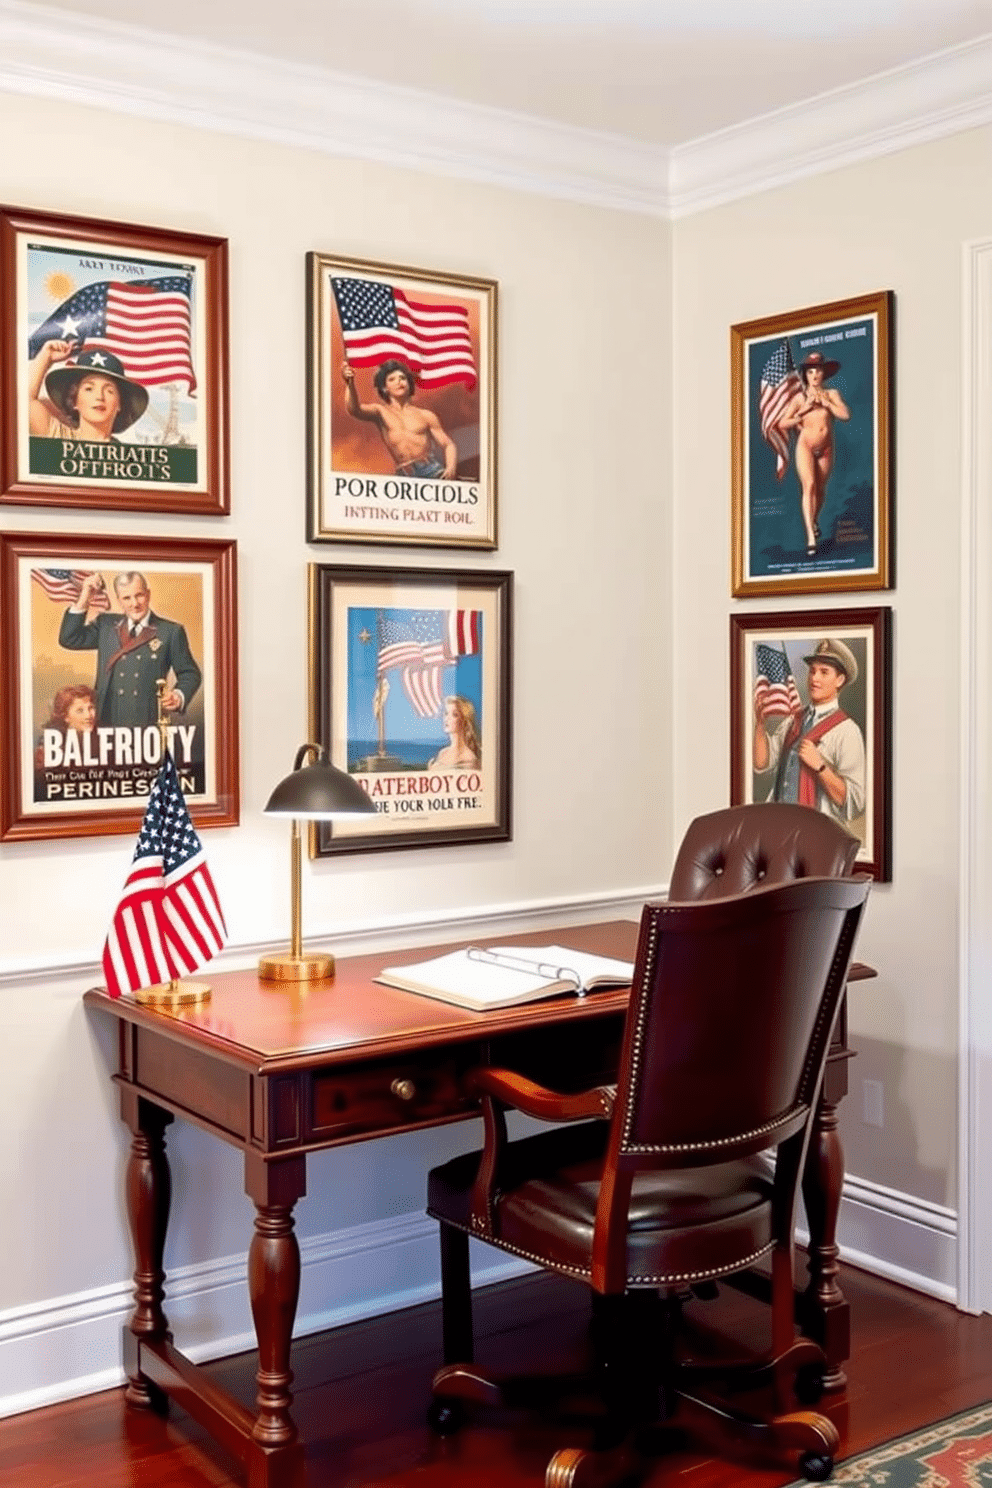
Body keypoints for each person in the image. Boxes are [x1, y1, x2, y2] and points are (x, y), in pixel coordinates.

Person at [57, 570, 201, 728]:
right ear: (119, 600)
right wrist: (85, 595)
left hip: (147, 726)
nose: (134, 603)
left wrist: (178, 695)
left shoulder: (170, 631)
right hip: (105, 723)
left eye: (139, 595)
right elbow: (69, 638)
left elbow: (190, 673)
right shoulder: (105, 625)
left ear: (148, 594)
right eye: (126, 598)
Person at [753, 638, 866, 835]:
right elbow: (762, 763)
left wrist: (820, 767)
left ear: (840, 680)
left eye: (824, 672)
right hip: (779, 829)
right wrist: (760, 725)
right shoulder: (792, 721)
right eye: (812, 671)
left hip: (818, 836)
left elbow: (854, 802)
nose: (814, 679)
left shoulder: (847, 731)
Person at [779, 350, 850, 555]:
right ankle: (811, 534)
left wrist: (826, 403)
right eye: (810, 372)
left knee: (819, 489)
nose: (815, 375)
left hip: (826, 448)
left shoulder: (832, 394)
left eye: (818, 371)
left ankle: (814, 520)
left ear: (823, 373)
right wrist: (804, 410)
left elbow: (845, 415)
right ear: (806, 375)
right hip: (806, 447)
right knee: (808, 486)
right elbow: (783, 423)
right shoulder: (800, 398)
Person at [341, 358, 458, 479]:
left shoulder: (426, 415)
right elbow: (354, 410)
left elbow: (448, 444)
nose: (399, 381)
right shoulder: (380, 412)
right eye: (392, 379)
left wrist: (451, 467)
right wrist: (349, 383)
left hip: (432, 470)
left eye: (402, 378)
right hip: (404, 477)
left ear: (409, 384)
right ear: (385, 388)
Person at [28, 343, 148, 442]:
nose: (99, 397)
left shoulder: (128, 456)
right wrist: (46, 355)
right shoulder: (58, 436)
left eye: (109, 391)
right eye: (89, 389)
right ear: (74, 400)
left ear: (119, 404)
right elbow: (25, 403)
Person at [428, 696, 481, 768]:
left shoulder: (469, 758)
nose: (447, 718)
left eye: (455, 715)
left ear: (464, 721)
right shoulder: (443, 753)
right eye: (446, 713)